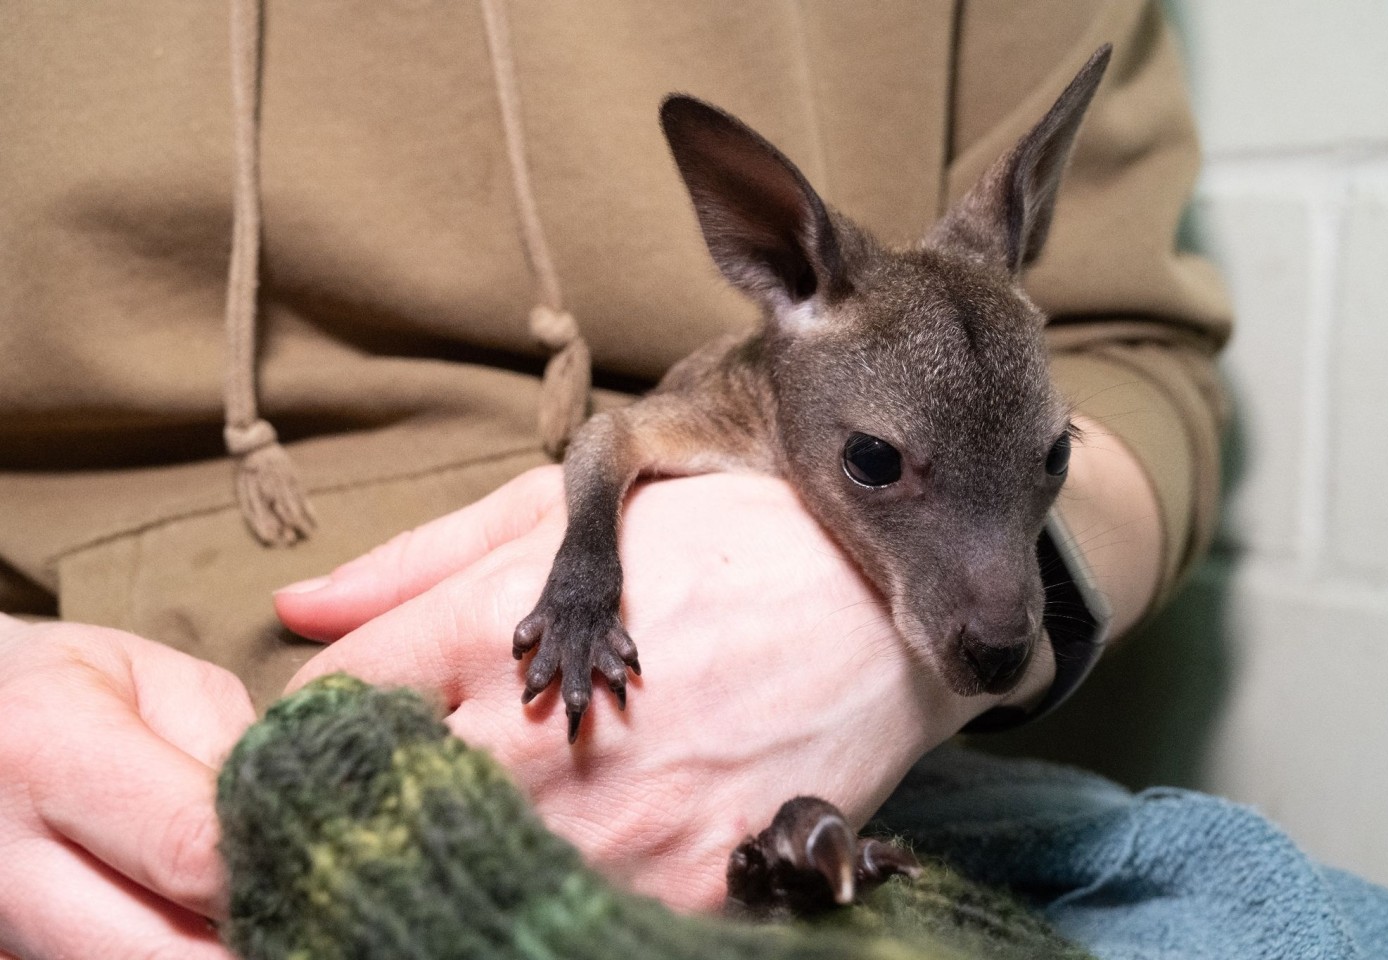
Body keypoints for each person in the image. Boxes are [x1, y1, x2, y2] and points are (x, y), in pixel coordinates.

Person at [0, 0, 1228, 956]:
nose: (1004, 612)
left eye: (1045, 463)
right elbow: (615, 442)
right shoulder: (758, 379)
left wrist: (878, 657)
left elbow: (1139, 357)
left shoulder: (958, 365)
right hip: (140, 742)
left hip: (845, 784)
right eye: (879, 467)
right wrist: (586, 584)